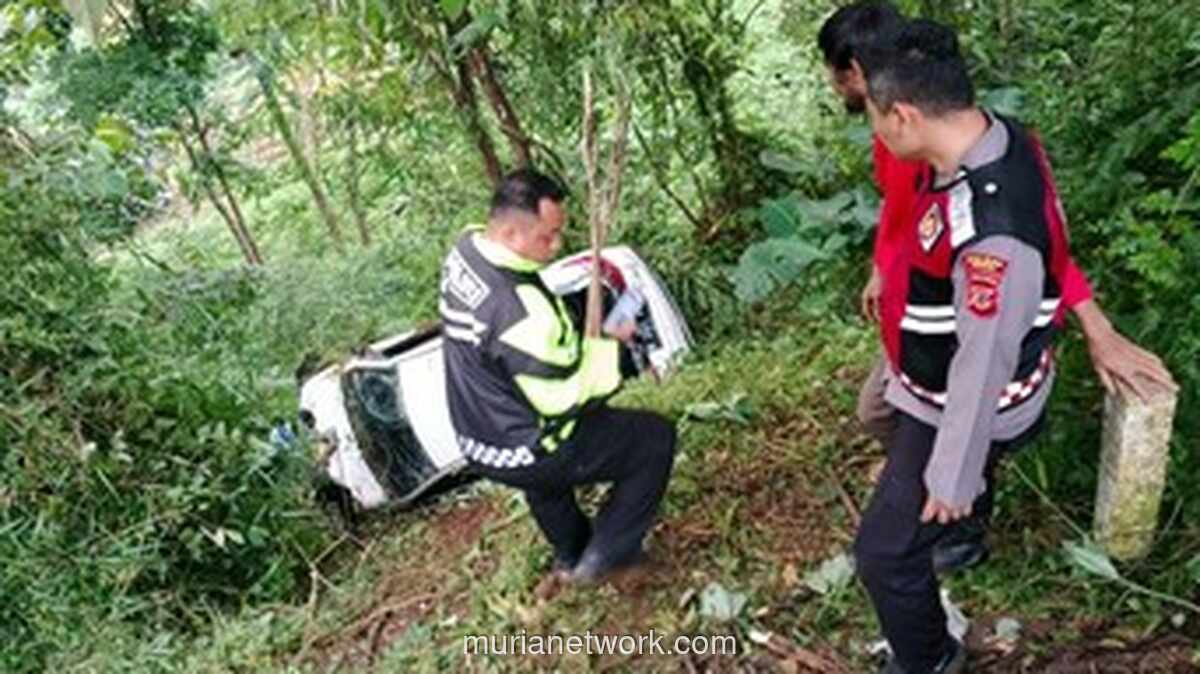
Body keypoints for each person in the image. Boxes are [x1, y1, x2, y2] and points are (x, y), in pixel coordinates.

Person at [817, 1, 1177, 574]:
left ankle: (958, 512)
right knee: (879, 413)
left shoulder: (956, 158)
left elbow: (1022, 252)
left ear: (864, 77)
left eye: (836, 74)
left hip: (952, 354)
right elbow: (904, 218)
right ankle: (941, 489)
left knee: (896, 528)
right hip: (915, 322)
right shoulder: (919, 141)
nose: (836, 88)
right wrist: (883, 271)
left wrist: (1097, 326)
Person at [439, 169, 676, 583]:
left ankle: (570, 552)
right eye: (547, 236)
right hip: (524, 444)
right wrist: (620, 353)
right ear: (511, 233)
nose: (557, 245)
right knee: (654, 440)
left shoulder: (466, 251)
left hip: (480, 438)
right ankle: (607, 560)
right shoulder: (520, 311)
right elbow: (561, 399)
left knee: (542, 476)